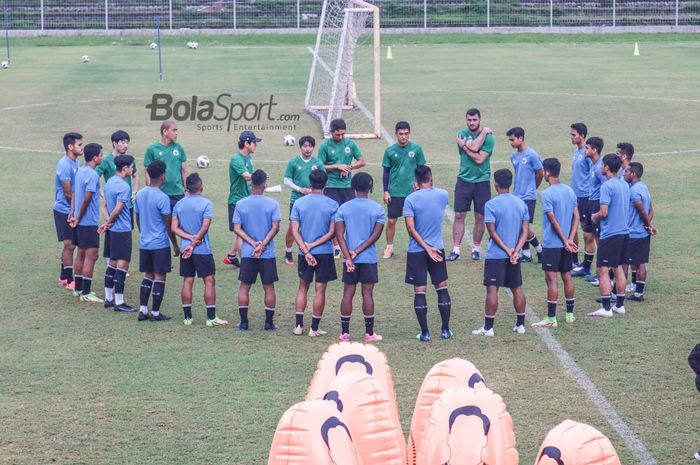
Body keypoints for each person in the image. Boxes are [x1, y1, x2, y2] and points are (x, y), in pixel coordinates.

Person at [473, 168, 529, 337]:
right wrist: (516, 251)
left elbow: (492, 231)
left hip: (496, 255)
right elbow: (525, 231)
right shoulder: (521, 204)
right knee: (516, 287)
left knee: (492, 289)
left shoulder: (491, 205)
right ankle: (520, 325)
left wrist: (506, 250)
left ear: (496, 184)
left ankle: (488, 328)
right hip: (514, 255)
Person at [335, 172, 386, 342]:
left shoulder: (343, 208)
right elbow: (375, 235)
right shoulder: (378, 209)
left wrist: (349, 256)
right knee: (367, 294)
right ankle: (369, 334)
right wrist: (359, 250)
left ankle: (345, 333)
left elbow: (340, 234)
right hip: (369, 258)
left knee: (348, 293)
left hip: (350, 259)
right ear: (370, 187)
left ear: (353, 187)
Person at [404, 165, 452, 342]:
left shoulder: (410, 199)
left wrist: (425, 247)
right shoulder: (443, 194)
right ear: (431, 177)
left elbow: (410, 228)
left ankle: (425, 333)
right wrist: (431, 248)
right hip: (437, 248)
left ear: (415, 182)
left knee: (420, 291)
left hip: (417, 250)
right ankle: (445, 330)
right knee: (442, 288)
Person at [172, 173, 227, 327]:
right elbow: (205, 226)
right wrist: (195, 241)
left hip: (185, 249)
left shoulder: (179, 205)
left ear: (187, 188)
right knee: (209, 281)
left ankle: (187, 318)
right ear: (201, 187)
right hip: (202, 249)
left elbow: (174, 228)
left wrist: (188, 240)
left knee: (187, 281)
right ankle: (211, 318)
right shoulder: (206, 203)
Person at [531, 158, 579, 328]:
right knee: (567, 277)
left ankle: (551, 319)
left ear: (547, 173)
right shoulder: (569, 191)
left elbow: (552, 220)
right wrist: (570, 239)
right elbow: (576, 217)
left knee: (551, 280)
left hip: (552, 244)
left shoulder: (547, 194)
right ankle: (570, 315)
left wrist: (565, 240)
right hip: (567, 244)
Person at [289, 169, 338, 336]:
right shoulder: (332, 204)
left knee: (303, 287)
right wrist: (313, 245)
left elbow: (294, 230)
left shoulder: (299, 203)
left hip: (304, 253)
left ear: (310, 183)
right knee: (320, 289)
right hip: (323, 252)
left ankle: (298, 326)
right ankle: (314, 328)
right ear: (326, 184)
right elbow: (332, 232)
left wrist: (305, 248)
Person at [233, 169, 282, 331]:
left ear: (250, 183)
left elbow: (237, 229)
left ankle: (244, 323)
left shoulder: (241, 204)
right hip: (267, 253)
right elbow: (275, 228)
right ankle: (268, 323)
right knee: (269, 287)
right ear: (265, 184)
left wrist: (253, 244)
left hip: (248, 253)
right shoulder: (273, 204)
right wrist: (262, 245)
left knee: (244, 287)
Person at [98, 130, 139, 308]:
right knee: (122, 264)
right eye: (131, 167)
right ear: (124, 169)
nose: (132, 170)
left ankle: (108, 298)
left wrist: (108, 223)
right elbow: (118, 208)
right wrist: (110, 221)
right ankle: (120, 301)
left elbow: (105, 206)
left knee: (112, 263)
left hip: (113, 230)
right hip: (121, 229)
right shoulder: (123, 187)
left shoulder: (110, 184)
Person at [448, 108, 494, 262]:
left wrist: (464, 146)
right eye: (469, 120)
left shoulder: (489, 138)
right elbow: (474, 149)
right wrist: (473, 143)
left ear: (480, 119)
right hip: (464, 180)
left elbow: (480, 159)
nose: (472, 123)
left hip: (482, 181)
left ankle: (475, 248)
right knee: (459, 215)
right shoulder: (462, 134)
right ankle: (456, 249)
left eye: (475, 120)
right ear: (466, 120)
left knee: (480, 216)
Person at [587, 154, 630, 318]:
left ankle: (606, 308)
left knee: (602, 270)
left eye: (602, 165)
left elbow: (604, 212)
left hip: (610, 233)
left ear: (606, 167)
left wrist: (594, 216)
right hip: (624, 232)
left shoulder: (606, 186)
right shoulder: (624, 184)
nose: (600, 167)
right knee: (618, 267)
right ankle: (619, 305)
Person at [317, 118, 366, 258]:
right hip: (331, 186)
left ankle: (350, 244)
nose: (340, 137)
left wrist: (349, 167)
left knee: (349, 216)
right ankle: (336, 246)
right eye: (337, 134)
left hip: (348, 186)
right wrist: (337, 166)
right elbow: (320, 166)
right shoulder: (324, 146)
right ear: (331, 132)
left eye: (343, 134)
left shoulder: (350, 144)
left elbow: (362, 161)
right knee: (334, 217)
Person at [134, 160, 174, 322]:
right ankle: (156, 313)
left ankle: (143, 310)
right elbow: (168, 224)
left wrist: (144, 233)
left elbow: (137, 219)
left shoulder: (140, 194)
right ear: (162, 176)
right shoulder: (163, 198)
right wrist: (176, 246)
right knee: (160, 276)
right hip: (160, 244)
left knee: (147, 275)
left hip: (145, 243)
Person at [381, 121, 426, 259]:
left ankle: (417, 246)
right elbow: (386, 172)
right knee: (392, 221)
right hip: (395, 192)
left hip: (413, 193)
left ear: (409, 133)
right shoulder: (390, 151)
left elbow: (422, 170)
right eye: (401, 134)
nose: (403, 137)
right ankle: (389, 248)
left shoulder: (417, 149)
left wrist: (421, 187)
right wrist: (385, 191)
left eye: (406, 134)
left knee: (414, 222)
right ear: (396, 134)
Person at [69, 143, 104, 303]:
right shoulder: (93, 175)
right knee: (92, 255)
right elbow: (87, 198)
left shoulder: (79, 171)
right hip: (88, 222)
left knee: (81, 253)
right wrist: (80, 215)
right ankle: (86, 292)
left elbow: (75, 194)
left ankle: (78, 289)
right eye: (101, 155)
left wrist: (72, 213)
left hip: (78, 220)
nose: (102, 157)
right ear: (95, 157)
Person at [283, 135, 325, 266]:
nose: (308, 149)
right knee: (292, 227)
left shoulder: (317, 163)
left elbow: (324, 180)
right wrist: (300, 189)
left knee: (311, 226)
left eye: (310, 146)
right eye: (305, 146)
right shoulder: (293, 162)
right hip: (296, 199)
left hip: (313, 200)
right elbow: (286, 181)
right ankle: (288, 252)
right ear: (300, 147)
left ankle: (308, 250)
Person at [506, 127, 544, 262]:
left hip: (528, 196)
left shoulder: (532, 155)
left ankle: (540, 249)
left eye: (512, 140)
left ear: (521, 138)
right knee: (520, 226)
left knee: (524, 226)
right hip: (517, 195)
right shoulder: (513, 156)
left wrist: (533, 188)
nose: (510, 143)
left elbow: (540, 173)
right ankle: (526, 254)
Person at [225, 130, 260, 268]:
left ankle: (232, 256)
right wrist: (259, 178)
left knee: (242, 232)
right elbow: (247, 176)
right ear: (246, 143)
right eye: (254, 143)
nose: (256, 145)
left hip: (246, 200)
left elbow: (250, 181)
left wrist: (259, 183)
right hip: (237, 201)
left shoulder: (248, 159)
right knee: (242, 232)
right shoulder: (237, 159)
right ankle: (245, 263)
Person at [573, 136, 605, 283]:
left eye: (587, 148)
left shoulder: (600, 168)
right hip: (591, 201)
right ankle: (587, 268)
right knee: (589, 235)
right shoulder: (594, 164)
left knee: (599, 240)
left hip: (596, 203)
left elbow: (607, 187)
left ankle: (603, 274)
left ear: (595, 150)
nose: (585, 149)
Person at [54, 132, 83, 290]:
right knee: (69, 245)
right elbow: (67, 193)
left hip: (72, 209)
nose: (82, 147)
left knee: (71, 244)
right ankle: (70, 279)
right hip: (64, 209)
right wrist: (78, 208)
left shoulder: (76, 163)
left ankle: (63, 277)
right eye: (79, 145)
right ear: (70, 147)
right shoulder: (64, 165)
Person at [623, 162, 657, 302]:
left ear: (633, 174)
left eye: (626, 172)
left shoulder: (634, 191)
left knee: (623, 263)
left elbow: (641, 209)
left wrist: (647, 223)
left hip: (633, 232)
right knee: (640, 262)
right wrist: (648, 225)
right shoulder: (643, 187)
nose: (624, 174)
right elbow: (651, 209)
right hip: (642, 232)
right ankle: (639, 294)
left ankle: (616, 293)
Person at [569, 123, 593, 270]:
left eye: (574, 134)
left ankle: (586, 264)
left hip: (585, 196)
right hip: (575, 196)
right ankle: (574, 260)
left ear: (582, 135)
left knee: (586, 232)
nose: (571, 137)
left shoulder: (587, 153)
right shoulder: (577, 151)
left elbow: (593, 174)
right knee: (573, 227)